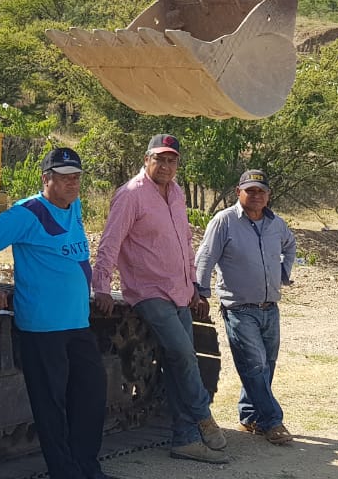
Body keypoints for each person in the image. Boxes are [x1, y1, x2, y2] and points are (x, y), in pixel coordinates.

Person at [0, 147, 116, 479]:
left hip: (77, 323)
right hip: (42, 327)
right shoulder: (27, 213)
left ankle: (87, 466)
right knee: (51, 406)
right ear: (46, 179)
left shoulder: (74, 206)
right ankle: (64, 471)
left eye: (76, 178)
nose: (72, 184)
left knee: (90, 395)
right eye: (64, 178)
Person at [92, 134, 229, 464]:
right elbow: (110, 242)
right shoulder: (130, 196)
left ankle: (185, 438)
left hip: (180, 290)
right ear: (146, 159)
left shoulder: (177, 193)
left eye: (172, 160)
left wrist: (194, 283)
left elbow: (184, 240)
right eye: (160, 159)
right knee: (182, 353)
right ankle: (202, 416)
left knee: (181, 363)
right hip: (148, 290)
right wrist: (100, 286)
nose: (166, 165)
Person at [194, 169, 296, 446]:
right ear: (238, 192)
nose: (256, 196)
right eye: (250, 190)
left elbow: (290, 245)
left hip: (270, 307)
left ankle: (250, 417)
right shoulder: (224, 221)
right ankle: (272, 421)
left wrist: (283, 273)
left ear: (268, 195)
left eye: (261, 191)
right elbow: (205, 256)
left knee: (267, 365)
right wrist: (200, 292)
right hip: (239, 308)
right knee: (254, 365)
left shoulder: (276, 224)